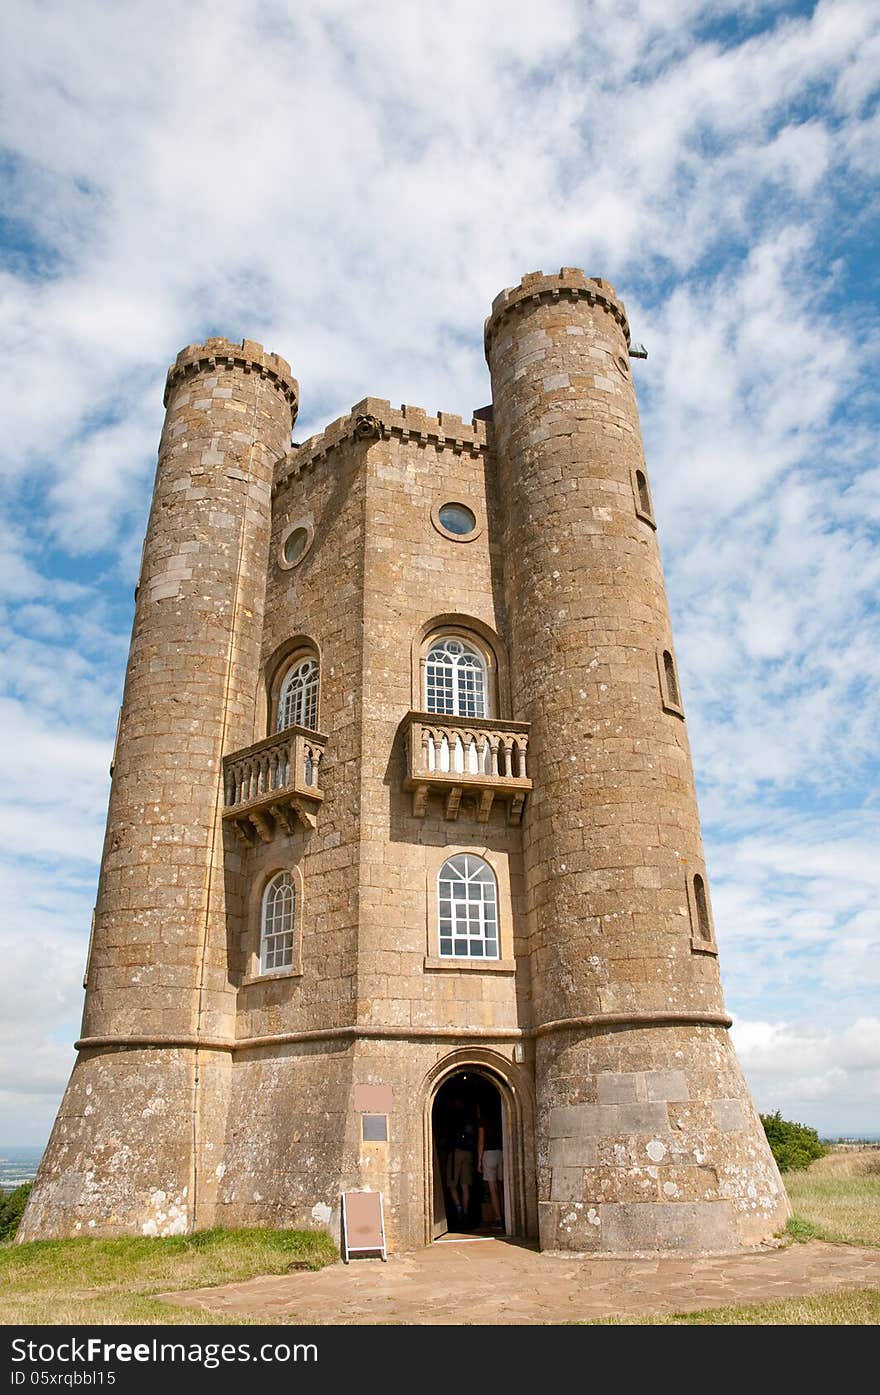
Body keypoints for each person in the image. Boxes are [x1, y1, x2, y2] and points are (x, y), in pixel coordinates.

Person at [445, 1102, 476, 1228]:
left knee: (452, 1183)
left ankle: (458, 1208)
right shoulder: (469, 1117)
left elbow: (448, 1136)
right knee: (465, 1185)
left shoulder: (452, 1117)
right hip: (468, 1153)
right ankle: (466, 1212)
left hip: (456, 1152)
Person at [477, 1112, 504, 1231]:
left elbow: (481, 1142)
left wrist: (479, 1160)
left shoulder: (484, 1120)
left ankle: (498, 1219)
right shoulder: (501, 1115)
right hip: (501, 1153)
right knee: (502, 1188)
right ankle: (506, 1216)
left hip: (489, 1154)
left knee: (493, 1190)